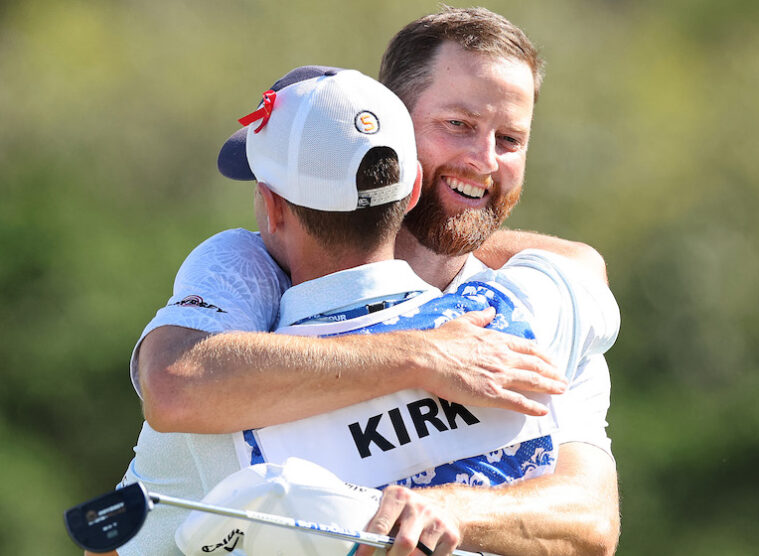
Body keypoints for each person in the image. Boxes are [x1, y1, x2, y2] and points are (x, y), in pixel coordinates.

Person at [113, 7, 620, 556]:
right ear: (390, 125)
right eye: (458, 125)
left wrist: (448, 508)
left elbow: (589, 519)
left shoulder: (536, 303)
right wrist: (420, 353)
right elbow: (174, 384)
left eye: (510, 140)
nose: (483, 161)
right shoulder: (252, 268)